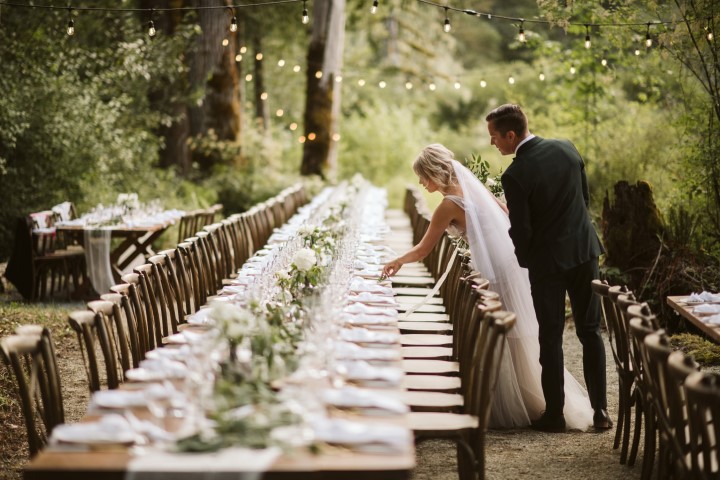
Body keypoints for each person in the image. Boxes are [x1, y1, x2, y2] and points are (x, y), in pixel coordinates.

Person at [382, 143, 594, 430]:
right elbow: (507, 214)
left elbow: (423, 249)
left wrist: (396, 261)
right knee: (515, 334)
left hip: (497, 272)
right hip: (508, 264)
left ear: (434, 172)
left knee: (507, 334)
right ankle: (536, 399)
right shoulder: (474, 190)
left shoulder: (448, 205)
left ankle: (519, 403)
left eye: (423, 176)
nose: (421, 182)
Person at [485, 103, 610, 433]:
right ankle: (601, 411)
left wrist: (526, 260)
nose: (493, 143)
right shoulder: (566, 147)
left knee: (550, 337)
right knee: (590, 331)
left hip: (547, 264)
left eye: (494, 137)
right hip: (584, 252)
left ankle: (555, 415)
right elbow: (583, 198)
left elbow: (521, 229)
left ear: (511, 135)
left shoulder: (515, 174)